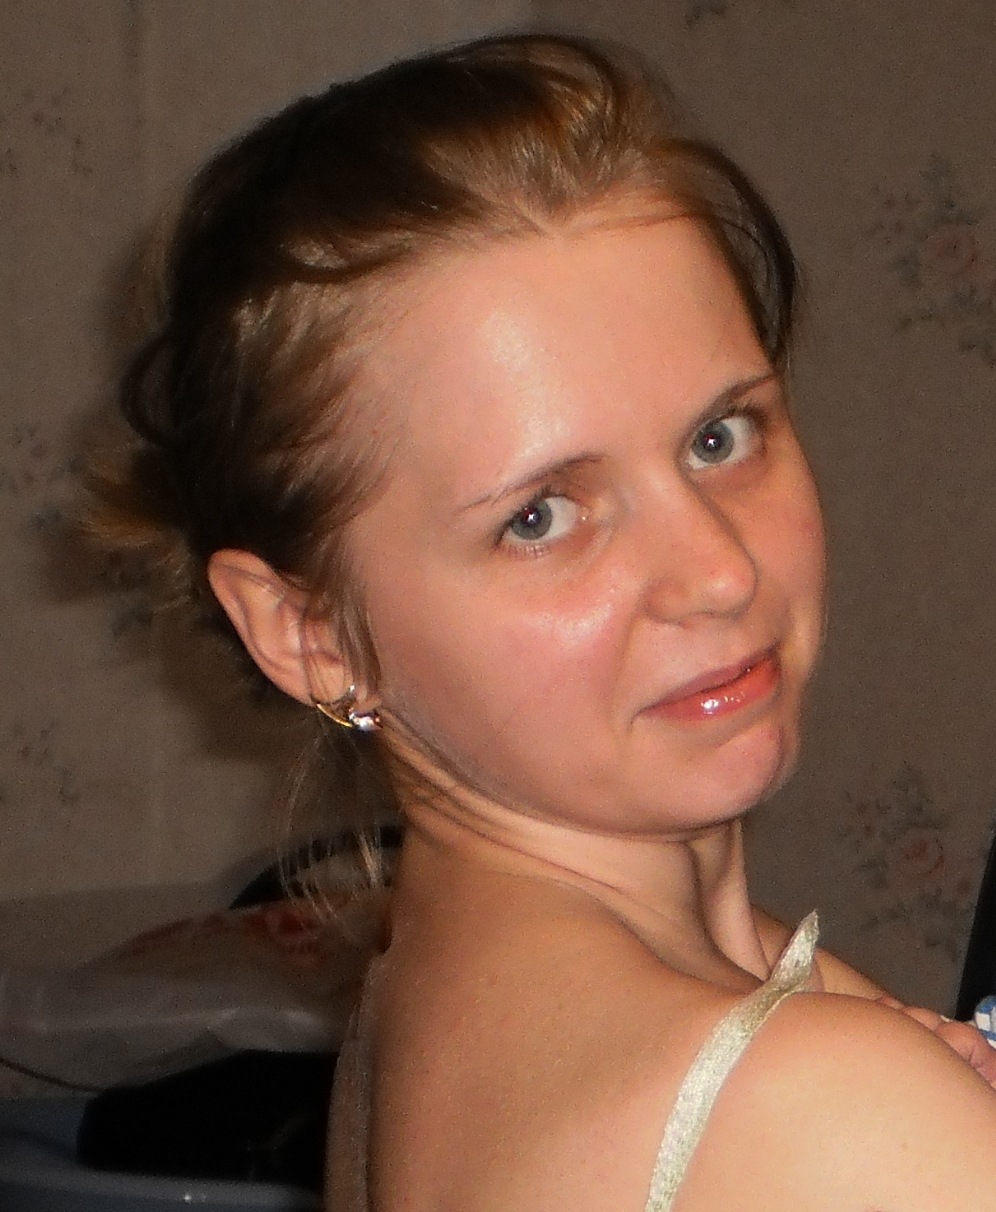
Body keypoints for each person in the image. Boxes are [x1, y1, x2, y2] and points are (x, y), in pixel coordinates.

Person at [94, 32, 996, 1211]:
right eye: (541, 517)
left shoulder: (427, 1005)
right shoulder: (812, 1109)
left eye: (719, 437)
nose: (717, 572)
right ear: (311, 633)